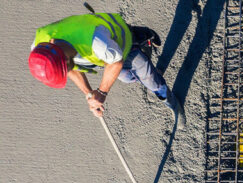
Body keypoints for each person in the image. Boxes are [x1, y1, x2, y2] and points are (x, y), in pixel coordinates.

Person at [28, 12, 186, 129]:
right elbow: (71, 69)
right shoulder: (40, 47)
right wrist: (90, 95)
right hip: (105, 55)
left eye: (65, 69)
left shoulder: (97, 42)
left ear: (65, 58)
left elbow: (116, 63)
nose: (67, 73)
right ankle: (141, 42)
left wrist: (101, 93)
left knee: (152, 80)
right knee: (127, 78)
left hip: (122, 44)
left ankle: (171, 101)